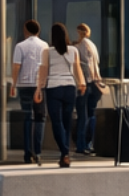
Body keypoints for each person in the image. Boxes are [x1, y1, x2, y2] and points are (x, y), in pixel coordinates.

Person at [37, 23, 82, 168]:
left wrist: (39, 89)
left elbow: (43, 71)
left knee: (56, 122)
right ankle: (65, 153)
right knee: (67, 122)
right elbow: (77, 68)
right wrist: (82, 83)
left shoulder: (47, 51)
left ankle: (64, 153)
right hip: (70, 88)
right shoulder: (73, 50)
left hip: (53, 88)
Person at [11, 19, 48, 164]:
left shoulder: (20, 46)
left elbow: (16, 66)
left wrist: (13, 84)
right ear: (38, 31)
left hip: (25, 86)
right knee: (40, 118)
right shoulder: (45, 45)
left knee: (27, 118)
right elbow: (45, 66)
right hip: (40, 85)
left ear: (26, 31)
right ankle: (38, 151)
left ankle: (28, 153)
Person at [74, 22, 104, 155]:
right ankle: (90, 143)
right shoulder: (92, 45)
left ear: (79, 32)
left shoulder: (81, 46)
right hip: (96, 83)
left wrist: (83, 82)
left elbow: (84, 65)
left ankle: (81, 145)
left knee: (82, 115)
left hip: (86, 83)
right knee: (91, 115)